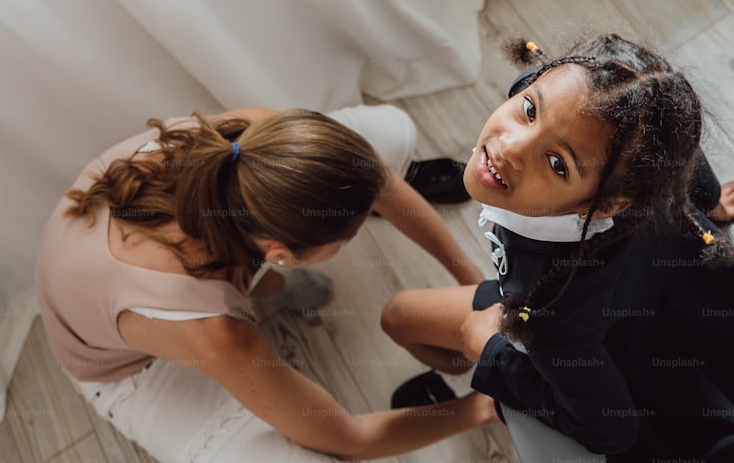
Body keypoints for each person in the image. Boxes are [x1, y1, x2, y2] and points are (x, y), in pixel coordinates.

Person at [380, 34, 734, 461]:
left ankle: (482, 396)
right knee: (398, 316)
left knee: (400, 318)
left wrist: (490, 355)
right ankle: (464, 381)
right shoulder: (584, 107)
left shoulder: (553, 313)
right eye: (529, 111)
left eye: (558, 163)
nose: (509, 148)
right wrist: (708, 200)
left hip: (604, 333)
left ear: (608, 205)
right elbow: (676, 140)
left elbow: (611, 431)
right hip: (637, 289)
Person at [35, 104, 493, 462]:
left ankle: (275, 285)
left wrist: (473, 285)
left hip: (116, 262)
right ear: (280, 254)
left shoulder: (249, 141)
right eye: (348, 235)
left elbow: (382, 184)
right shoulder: (215, 332)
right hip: (123, 367)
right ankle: (272, 288)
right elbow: (346, 438)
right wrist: (488, 405)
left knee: (391, 131)